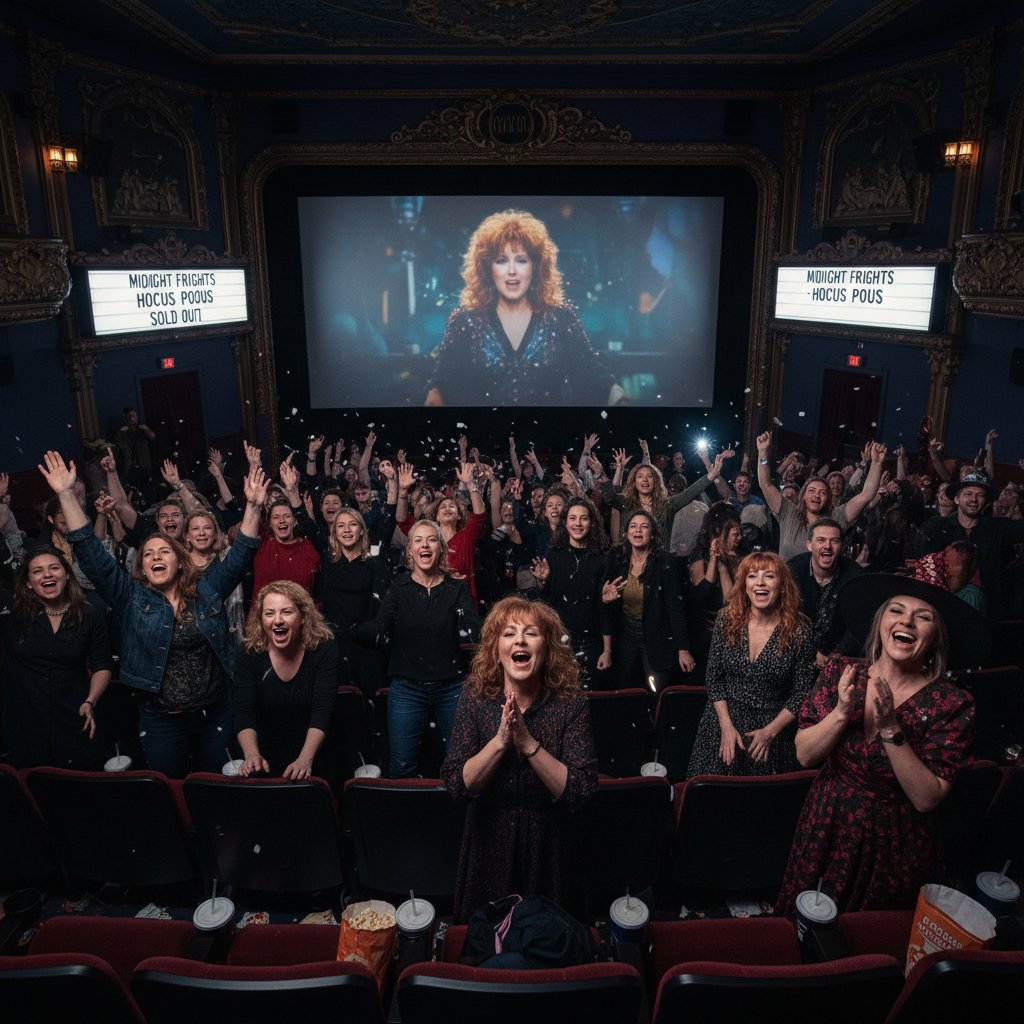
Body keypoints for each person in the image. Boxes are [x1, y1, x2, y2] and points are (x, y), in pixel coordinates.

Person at [39, 450, 268, 778]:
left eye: (164, 551)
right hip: (161, 720)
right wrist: (65, 494)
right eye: (148, 554)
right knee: (169, 787)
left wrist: (255, 506)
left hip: (215, 712)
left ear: (180, 561)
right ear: (142, 566)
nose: (156, 556)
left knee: (219, 788)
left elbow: (241, 553)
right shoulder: (130, 597)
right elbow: (90, 552)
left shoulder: (207, 591)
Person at [776, 571, 987, 916]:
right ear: (880, 623)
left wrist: (890, 727)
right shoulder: (841, 671)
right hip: (827, 821)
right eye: (896, 610)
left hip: (894, 841)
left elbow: (926, 798)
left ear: (936, 637)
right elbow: (804, 755)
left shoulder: (952, 703)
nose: (907, 621)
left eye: (923, 616)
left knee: (868, 935)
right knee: (807, 921)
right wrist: (841, 713)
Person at [442, 596, 598, 922]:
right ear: (496, 650)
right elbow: (457, 784)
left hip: (550, 847)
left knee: (548, 941)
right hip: (488, 845)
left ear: (547, 648)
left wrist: (528, 744)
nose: (520, 641)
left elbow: (581, 791)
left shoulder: (571, 703)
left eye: (531, 633)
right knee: (488, 942)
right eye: (509, 633)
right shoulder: (475, 698)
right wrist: (500, 742)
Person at [425, 209, 623, 407]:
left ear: (535, 266)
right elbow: (440, 385)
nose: (512, 271)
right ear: (487, 267)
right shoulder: (465, 320)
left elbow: (595, 377)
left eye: (521, 260)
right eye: (501, 261)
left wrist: (619, 397)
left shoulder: (560, 317)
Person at [356, 519, 482, 777]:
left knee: (462, 764)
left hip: (452, 687)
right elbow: (380, 628)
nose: (425, 545)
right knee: (402, 766)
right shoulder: (398, 588)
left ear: (441, 549)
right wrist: (345, 632)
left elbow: (475, 629)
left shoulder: (456, 589)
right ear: (410, 551)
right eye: (418, 540)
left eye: (431, 540)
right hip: (407, 688)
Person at [687, 552, 815, 777]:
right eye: (753, 576)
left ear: (782, 586)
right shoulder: (726, 619)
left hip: (771, 730)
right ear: (744, 585)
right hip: (723, 722)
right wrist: (726, 726)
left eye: (769, 576)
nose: (760, 582)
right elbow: (714, 677)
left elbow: (801, 692)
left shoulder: (799, 631)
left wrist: (770, 732)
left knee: (759, 796)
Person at [0, 547, 113, 768]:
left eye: (54, 568)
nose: (47, 574)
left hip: (74, 715)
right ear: (28, 583)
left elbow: (102, 665)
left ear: (67, 574)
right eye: (38, 571)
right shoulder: (12, 617)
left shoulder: (89, 615)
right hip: (25, 719)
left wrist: (90, 701)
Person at [233, 581, 339, 781]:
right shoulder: (248, 652)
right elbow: (243, 710)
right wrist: (252, 755)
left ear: (303, 617)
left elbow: (322, 710)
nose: (278, 620)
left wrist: (305, 759)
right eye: (269, 613)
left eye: (287, 612)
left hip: (315, 754)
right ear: (260, 618)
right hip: (265, 755)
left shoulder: (324, 648)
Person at [756, 431, 886, 561]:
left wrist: (876, 463)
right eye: (811, 491)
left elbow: (866, 495)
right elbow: (766, 485)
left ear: (828, 499)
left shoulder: (837, 517)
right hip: (788, 575)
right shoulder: (788, 512)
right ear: (803, 496)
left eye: (823, 492)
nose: (817, 495)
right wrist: (762, 453)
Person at [603, 509, 695, 692]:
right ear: (626, 532)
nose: (638, 530)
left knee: (656, 690)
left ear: (652, 534)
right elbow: (605, 599)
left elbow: (675, 607)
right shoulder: (616, 556)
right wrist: (605, 598)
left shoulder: (665, 561)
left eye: (644, 527)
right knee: (623, 689)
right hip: (625, 635)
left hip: (656, 636)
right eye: (633, 526)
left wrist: (682, 649)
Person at [531, 496, 613, 687]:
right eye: (573, 518)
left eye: (583, 518)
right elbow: (546, 602)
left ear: (592, 523)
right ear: (565, 522)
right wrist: (542, 582)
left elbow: (605, 611)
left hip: (591, 640)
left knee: (592, 693)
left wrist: (607, 650)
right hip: (558, 638)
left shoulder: (602, 558)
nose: (578, 523)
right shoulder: (554, 554)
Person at [321, 506, 392, 699]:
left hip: (367, 641)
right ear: (334, 532)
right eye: (341, 526)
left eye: (352, 524)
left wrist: (397, 494)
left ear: (361, 530)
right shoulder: (328, 560)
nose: (346, 530)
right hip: (335, 642)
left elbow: (387, 526)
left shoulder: (374, 561)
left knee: (372, 700)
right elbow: (310, 528)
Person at [787, 518, 863, 666]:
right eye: (821, 540)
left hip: (838, 654)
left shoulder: (855, 576)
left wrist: (836, 653)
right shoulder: (792, 570)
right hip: (796, 649)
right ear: (809, 545)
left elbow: (859, 622)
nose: (827, 546)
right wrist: (806, 651)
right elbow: (782, 614)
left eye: (834, 541)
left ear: (842, 546)